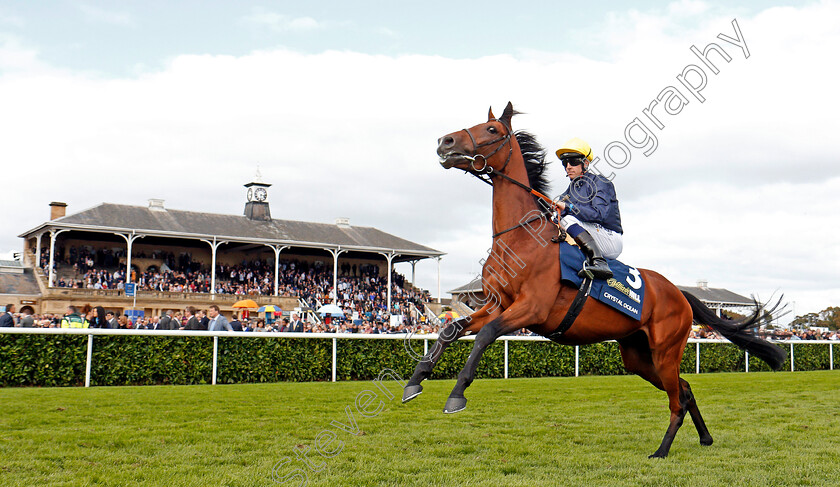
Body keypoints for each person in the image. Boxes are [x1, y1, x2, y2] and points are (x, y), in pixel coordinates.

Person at [554, 137, 623, 280]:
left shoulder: (601, 182)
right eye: (564, 163)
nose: (568, 166)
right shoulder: (569, 191)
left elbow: (598, 214)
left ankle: (599, 262)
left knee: (567, 220)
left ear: (585, 163)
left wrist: (568, 206)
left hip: (610, 238)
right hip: (592, 234)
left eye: (573, 161)